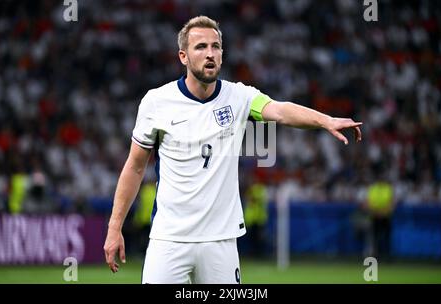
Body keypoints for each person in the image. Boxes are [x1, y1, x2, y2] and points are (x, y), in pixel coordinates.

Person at [103, 15, 362, 284]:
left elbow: (281, 111)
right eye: (200, 47)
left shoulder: (240, 97)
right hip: (169, 239)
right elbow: (134, 166)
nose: (210, 53)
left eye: (215, 47)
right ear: (183, 56)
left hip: (220, 242)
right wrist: (114, 227)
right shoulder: (156, 102)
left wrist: (325, 120)